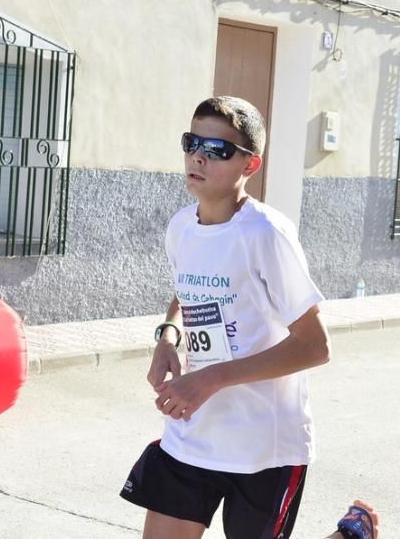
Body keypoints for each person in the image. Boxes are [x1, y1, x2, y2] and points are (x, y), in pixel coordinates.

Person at [121, 96, 331, 539]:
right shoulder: (181, 226)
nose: (198, 155)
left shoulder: (265, 234)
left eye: (217, 149)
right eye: (192, 142)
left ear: (249, 166)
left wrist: (211, 379)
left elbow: (315, 346)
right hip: (193, 432)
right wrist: (167, 337)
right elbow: (186, 290)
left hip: (264, 448)